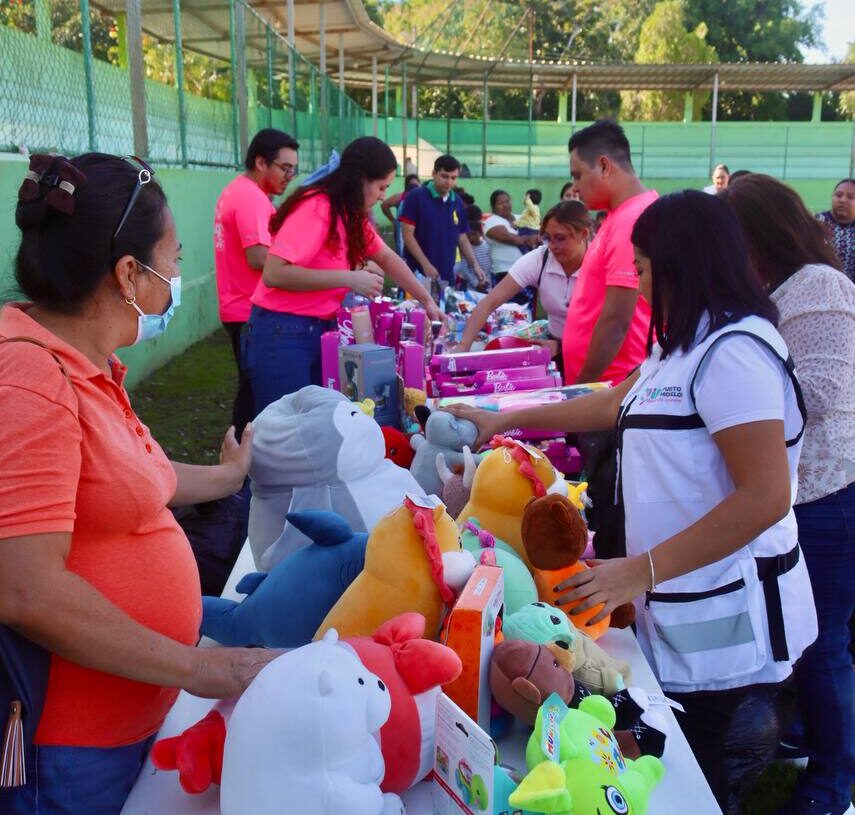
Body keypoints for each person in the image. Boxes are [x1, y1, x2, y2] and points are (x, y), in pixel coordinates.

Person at [445, 190, 818, 811]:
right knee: (666, 768)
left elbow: (766, 497)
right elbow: (611, 404)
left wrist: (637, 572)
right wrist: (506, 417)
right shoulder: (681, 346)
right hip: (678, 608)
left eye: (643, 268)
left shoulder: (736, 353)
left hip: (733, 636)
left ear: (682, 266)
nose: (638, 286)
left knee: (700, 785)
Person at [0, 153, 277, 815]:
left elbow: (140, 477)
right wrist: (200, 667)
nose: (176, 277)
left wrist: (230, 475)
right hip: (72, 752)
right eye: (173, 261)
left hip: (132, 721)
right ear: (128, 273)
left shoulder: (88, 363)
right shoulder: (31, 380)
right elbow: (26, 589)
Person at [721, 174, 855, 815]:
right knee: (804, 637)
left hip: (831, 492)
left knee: (825, 644)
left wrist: (735, 398)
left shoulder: (819, 287)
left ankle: (833, 784)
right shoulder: (775, 289)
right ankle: (807, 734)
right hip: (797, 494)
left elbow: (822, 391)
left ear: (762, 234)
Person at [245, 137, 443, 413]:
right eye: (381, 187)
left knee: (311, 420)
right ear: (361, 179)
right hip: (282, 332)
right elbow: (274, 273)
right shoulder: (318, 208)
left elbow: (387, 258)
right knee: (285, 423)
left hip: (314, 329)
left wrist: (427, 300)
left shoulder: (349, 214)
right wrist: (348, 278)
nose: (383, 196)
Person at [214, 129, 299, 437]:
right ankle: (241, 459)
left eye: (294, 170)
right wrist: (305, 269)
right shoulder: (251, 198)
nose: (290, 177)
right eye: (285, 168)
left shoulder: (240, 191)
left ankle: (239, 456)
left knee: (250, 392)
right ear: (261, 162)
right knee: (254, 398)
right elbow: (259, 257)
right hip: (248, 310)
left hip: (239, 307)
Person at [562, 118, 657, 385]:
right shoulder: (620, 215)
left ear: (604, 166)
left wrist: (581, 389)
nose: (575, 187)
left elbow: (617, 320)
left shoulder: (632, 220)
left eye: (578, 175)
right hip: (604, 386)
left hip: (611, 387)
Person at [457, 200, 591, 373]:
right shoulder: (541, 259)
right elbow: (489, 303)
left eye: (560, 238)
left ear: (583, 234)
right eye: (547, 238)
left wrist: (563, 347)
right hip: (553, 349)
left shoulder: (600, 264)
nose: (552, 246)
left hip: (593, 354)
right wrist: (463, 347)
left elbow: (613, 327)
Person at [398, 154, 486, 289]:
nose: (449, 182)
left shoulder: (457, 201)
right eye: (444, 176)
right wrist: (425, 264)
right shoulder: (416, 197)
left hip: (446, 274)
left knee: (445, 302)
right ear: (434, 174)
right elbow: (407, 235)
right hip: (416, 271)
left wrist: (475, 265)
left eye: (453, 178)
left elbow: (462, 238)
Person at [484, 190, 540, 284]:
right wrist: (528, 238)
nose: (505, 205)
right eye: (500, 203)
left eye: (507, 201)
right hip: (505, 273)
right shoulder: (491, 221)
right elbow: (509, 238)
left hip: (528, 272)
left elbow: (538, 233)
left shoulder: (521, 218)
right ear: (493, 207)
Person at [816, 178, 855, 281]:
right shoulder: (816, 223)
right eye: (838, 195)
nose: (842, 200)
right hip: (820, 285)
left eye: (850, 197)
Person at [380, 173, 420, 256]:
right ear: (407, 186)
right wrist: (393, 220)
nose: (414, 188)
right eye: (412, 185)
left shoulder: (422, 199)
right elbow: (384, 205)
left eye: (416, 185)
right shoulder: (400, 197)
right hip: (401, 234)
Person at [453, 204, 491, 291]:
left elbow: (489, 267)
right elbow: (463, 267)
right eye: (469, 235)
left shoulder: (486, 246)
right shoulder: (464, 248)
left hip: (486, 285)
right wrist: (476, 283)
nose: (471, 237)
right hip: (468, 286)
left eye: (474, 234)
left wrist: (486, 281)